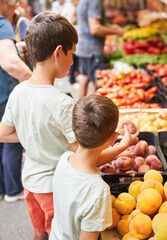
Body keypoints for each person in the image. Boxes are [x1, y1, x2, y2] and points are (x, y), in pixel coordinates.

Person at [0, 11, 138, 240]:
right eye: (72, 54)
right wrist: (124, 144)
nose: (73, 61)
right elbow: (88, 156)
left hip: (31, 184)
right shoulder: (63, 104)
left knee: (39, 232)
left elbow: (3, 134)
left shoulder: (18, 91)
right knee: (59, 232)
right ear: (58, 53)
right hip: (54, 187)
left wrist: (33, 135)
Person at [49, 94, 138, 240]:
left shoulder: (65, 159)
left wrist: (123, 146)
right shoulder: (98, 191)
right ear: (113, 138)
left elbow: (92, 159)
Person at [0, 0, 32, 202]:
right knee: (12, 141)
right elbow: (10, 63)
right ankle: (12, 190)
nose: (14, 7)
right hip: (4, 93)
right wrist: (37, 82)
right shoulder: (2, 23)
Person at [76, 0, 125, 99]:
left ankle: (78, 110)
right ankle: (89, 112)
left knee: (85, 77)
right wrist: (115, 31)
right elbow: (95, 28)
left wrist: (109, 27)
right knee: (95, 81)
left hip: (84, 46)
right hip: (92, 49)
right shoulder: (95, 1)